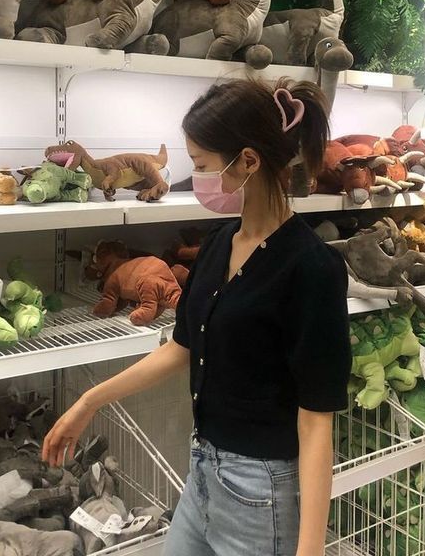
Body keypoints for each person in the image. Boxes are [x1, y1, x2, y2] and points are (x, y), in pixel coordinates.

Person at [43, 78, 352, 556]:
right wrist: (90, 400)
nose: (196, 177)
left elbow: (315, 423)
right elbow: (181, 347)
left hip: (263, 493)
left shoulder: (312, 269)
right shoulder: (217, 245)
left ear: (248, 161)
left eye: (202, 165)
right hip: (203, 471)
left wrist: (309, 549)